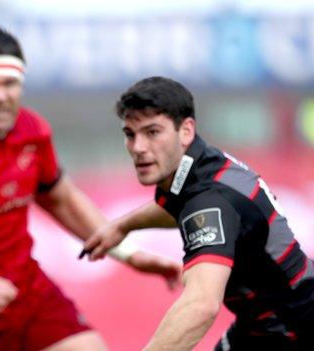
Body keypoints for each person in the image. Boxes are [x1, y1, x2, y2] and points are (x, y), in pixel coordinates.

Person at [0, 25, 181, 351]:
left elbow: (63, 201)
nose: (0, 96)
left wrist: (131, 254)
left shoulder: (32, 131)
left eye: (9, 83)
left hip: (28, 297)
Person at [84, 76, 314, 350]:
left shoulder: (208, 199)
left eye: (152, 132)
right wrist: (124, 226)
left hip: (292, 329)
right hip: (263, 323)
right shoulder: (200, 166)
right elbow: (181, 209)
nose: (138, 147)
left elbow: (201, 305)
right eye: (130, 134)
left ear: (186, 131)